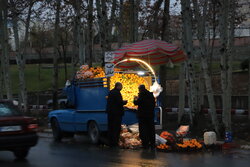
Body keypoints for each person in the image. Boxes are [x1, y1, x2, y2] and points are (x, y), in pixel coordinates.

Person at [134, 85, 156, 149]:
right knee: (151, 129)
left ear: (140, 89)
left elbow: (136, 103)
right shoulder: (150, 95)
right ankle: (152, 143)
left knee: (143, 130)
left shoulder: (141, 95)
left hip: (143, 116)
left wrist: (135, 98)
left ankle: (145, 144)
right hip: (150, 115)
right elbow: (153, 104)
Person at [106, 82, 127, 147]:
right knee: (116, 128)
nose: (122, 87)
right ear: (118, 86)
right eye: (121, 86)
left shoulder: (111, 92)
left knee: (111, 128)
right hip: (116, 113)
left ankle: (110, 142)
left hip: (110, 113)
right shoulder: (117, 93)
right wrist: (124, 102)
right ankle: (115, 142)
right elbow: (119, 102)